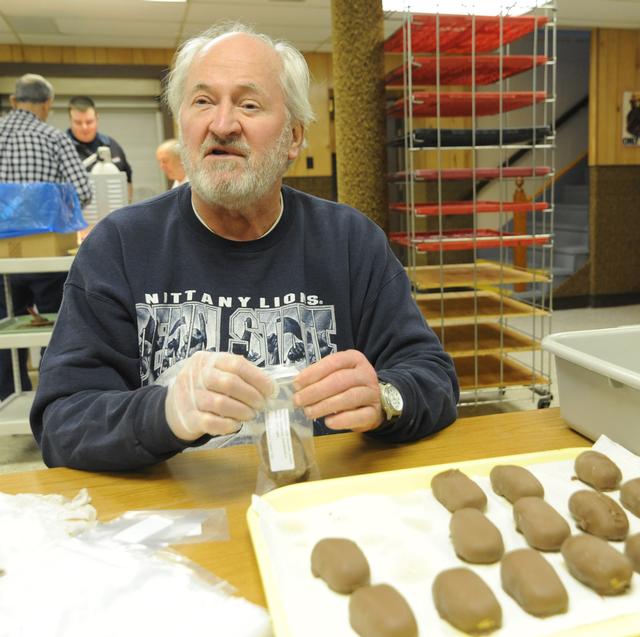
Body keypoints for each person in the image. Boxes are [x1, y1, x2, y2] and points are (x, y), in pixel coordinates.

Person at [31, 23, 459, 472]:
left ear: (293, 137)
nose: (222, 124)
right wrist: (163, 413)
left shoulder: (350, 241)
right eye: (202, 102)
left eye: (249, 104)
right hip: (176, 521)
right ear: (184, 124)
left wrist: (386, 398)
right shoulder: (119, 245)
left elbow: (434, 377)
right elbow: (62, 423)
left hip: (319, 509)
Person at [0, 74, 92, 401]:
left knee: (5, 334)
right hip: (46, 253)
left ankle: (11, 398)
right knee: (58, 333)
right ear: (47, 105)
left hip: (2, 259)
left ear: (14, 102)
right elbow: (83, 190)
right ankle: (51, 404)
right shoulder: (54, 138)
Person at [66, 95, 133, 201]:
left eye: (89, 122)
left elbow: (128, 180)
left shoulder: (111, 145)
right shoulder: (63, 148)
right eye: (78, 123)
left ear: (97, 118)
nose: (85, 127)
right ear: (70, 121)